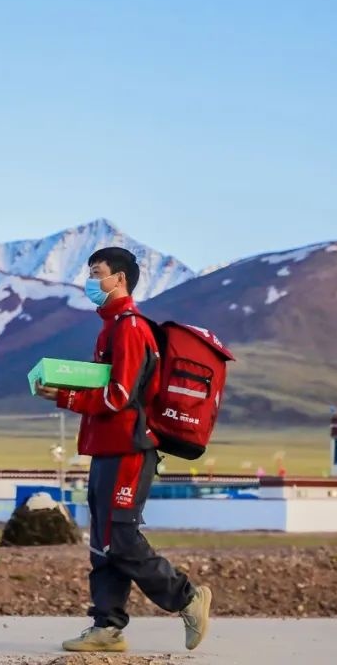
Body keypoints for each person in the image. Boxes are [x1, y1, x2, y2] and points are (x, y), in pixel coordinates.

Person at [35, 247, 212, 653]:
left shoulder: (130, 328)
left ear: (119, 279)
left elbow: (118, 396)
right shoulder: (111, 327)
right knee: (103, 541)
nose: (90, 281)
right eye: (89, 272)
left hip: (130, 449)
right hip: (107, 448)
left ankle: (187, 598)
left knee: (121, 535)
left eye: (96, 273)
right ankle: (107, 628)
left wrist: (65, 397)